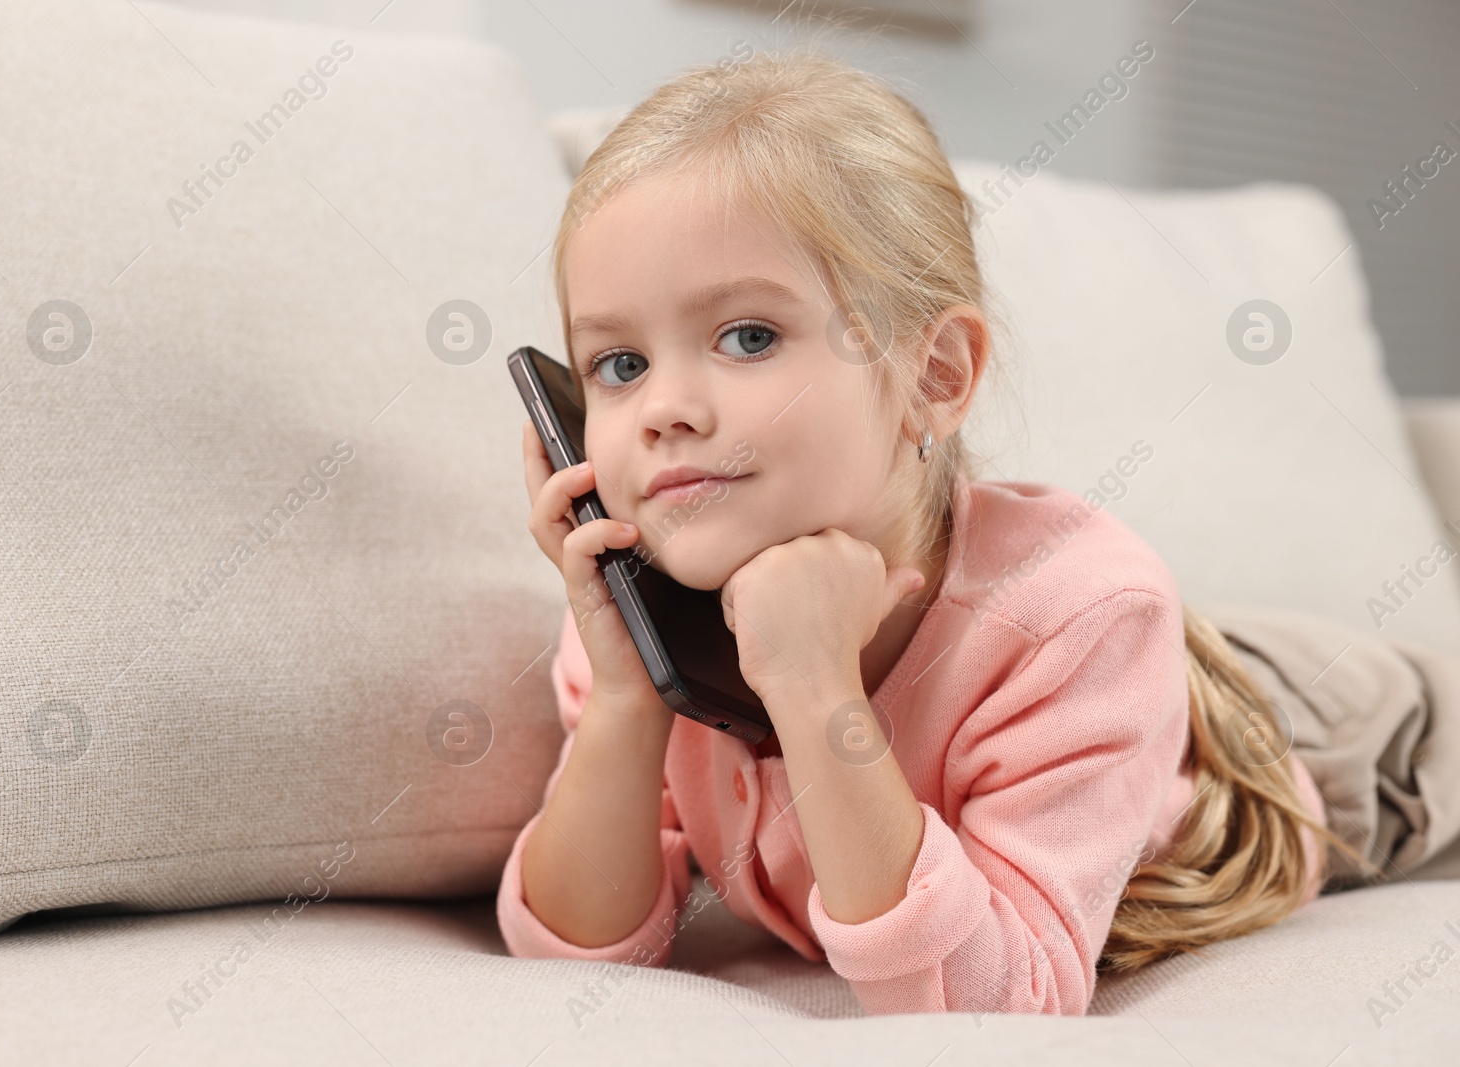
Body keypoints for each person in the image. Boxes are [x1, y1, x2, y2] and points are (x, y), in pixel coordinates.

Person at [493, 46, 1445, 1016]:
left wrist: (819, 691)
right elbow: (577, 948)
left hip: (1311, 737)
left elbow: (997, 1008)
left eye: (748, 335)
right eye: (616, 362)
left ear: (934, 376)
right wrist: (622, 701)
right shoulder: (640, 617)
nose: (663, 409)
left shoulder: (1084, 619)